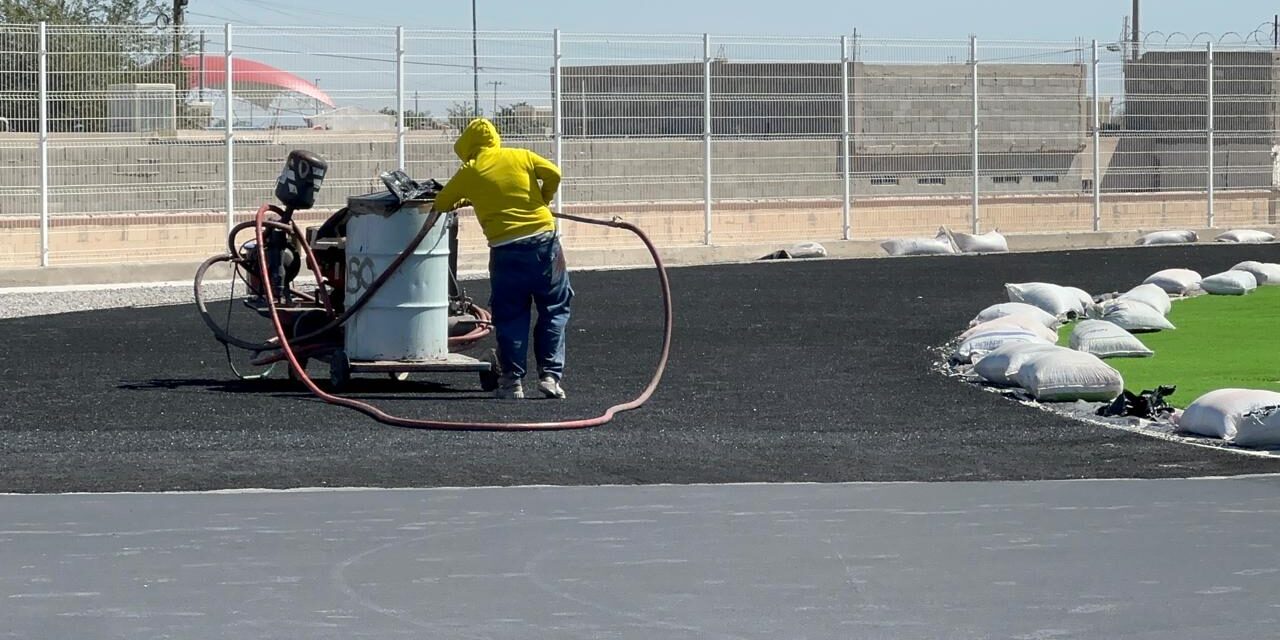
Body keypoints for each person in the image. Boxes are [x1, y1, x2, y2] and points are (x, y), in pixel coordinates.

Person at [433, 118, 571, 400]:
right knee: (554, 310)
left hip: (506, 251)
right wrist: (544, 198)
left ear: (468, 146)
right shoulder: (521, 156)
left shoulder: (470, 171)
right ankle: (550, 377)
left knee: (511, 316)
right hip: (545, 245)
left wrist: (469, 197)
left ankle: (512, 383)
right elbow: (554, 173)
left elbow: (441, 203)